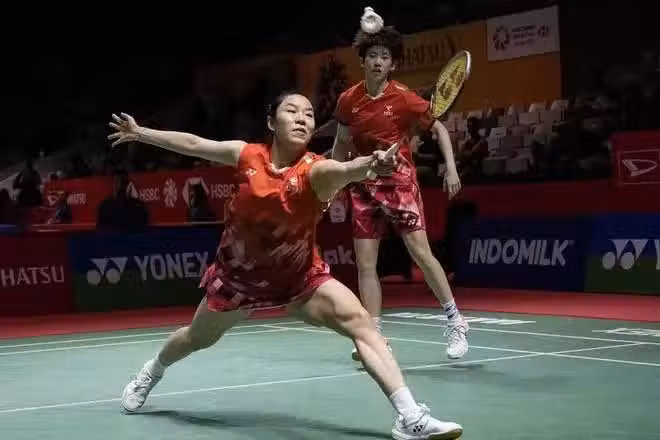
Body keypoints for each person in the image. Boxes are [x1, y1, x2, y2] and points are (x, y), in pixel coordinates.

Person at [109, 92, 464, 440]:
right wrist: (141, 133)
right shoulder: (247, 155)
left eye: (309, 114)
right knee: (195, 338)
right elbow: (194, 143)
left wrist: (371, 164)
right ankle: (151, 372)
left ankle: (409, 416)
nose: (301, 119)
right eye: (291, 111)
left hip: (299, 279)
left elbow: (345, 169)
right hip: (238, 281)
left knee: (362, 324)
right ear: (271, 122)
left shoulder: (316, 171)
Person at [331, 7, 469, 361]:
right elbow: (342, 144)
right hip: (362, 184)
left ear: (393, 64)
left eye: (384, 57)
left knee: (421, 253)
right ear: (363, 61)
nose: (378, 61)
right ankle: (375, 338)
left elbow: (438, 128)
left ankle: (456, 321)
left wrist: (450, 168)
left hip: (398, 183)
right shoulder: (348, 100)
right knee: (365, 264)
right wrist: (334, 180)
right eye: (373, 55)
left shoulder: (404, 98)